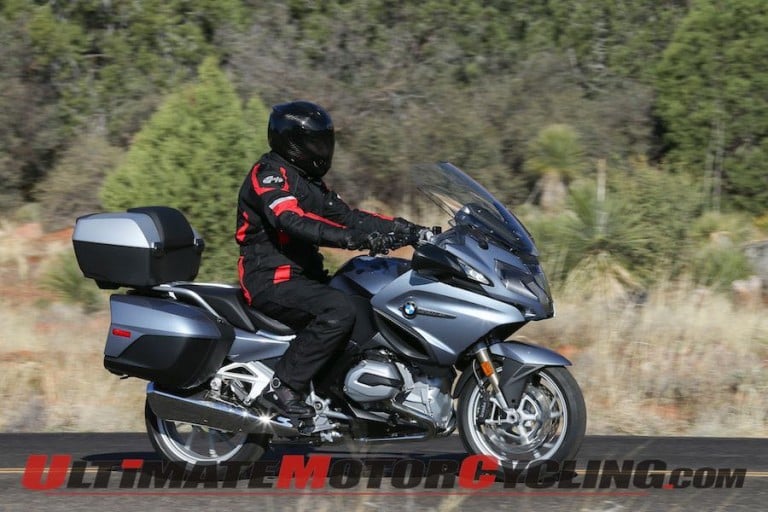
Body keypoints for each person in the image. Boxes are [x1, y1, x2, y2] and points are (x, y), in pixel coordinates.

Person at [235, 101, 425, 425]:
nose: (323, 149)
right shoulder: (269, 175)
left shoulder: (309, 181)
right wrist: (353, 240)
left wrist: (408, 231)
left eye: (325, 141)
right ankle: (283, 389)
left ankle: (344, 396)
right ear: (293, 143)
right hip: (271, 279)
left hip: (305, 278)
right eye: (315, 142)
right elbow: (292, 220)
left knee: (368, 303)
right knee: (338, 310)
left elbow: (350, 217)